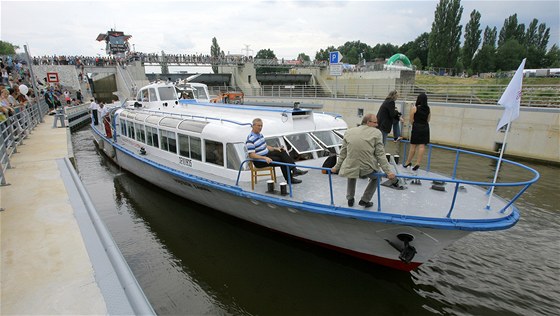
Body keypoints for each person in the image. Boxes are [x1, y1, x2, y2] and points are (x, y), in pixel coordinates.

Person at [331, 113, 396, 208]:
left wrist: (336, 167)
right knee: (377, 177)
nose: (377, 125)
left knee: (352, 173)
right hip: (367, 168)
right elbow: (380, 155)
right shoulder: (377, 133)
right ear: (368, 122)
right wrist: (388, 172)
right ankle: (365, 200)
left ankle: (350, 198)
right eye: (375, 122)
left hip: (351, 165)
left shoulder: (349, 132)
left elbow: (343, 153)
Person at [246, 118, 307, 184]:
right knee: (282, 160)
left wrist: (276, 148)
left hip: (266, 155)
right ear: (253, 126)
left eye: (261, 126)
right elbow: (251, 154)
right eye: (258, 126)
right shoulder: (250, 139)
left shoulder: (260, 135)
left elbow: (265, 146)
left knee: (281, 151)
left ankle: (294, 169)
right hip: (259, 161)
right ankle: (290, 179)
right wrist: (264, 158)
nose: (260, 127)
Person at [404, 93, 431, 171]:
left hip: (416, 127)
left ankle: (408, 162)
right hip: (425, 127)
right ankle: (418, 163)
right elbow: (428, 119)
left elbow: (411, 119)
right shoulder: (428, 108)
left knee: (413, 146)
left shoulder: (415, 108)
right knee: (422, 146)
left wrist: (415, 124)